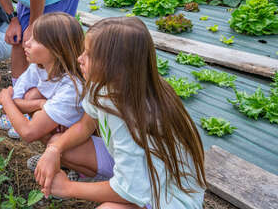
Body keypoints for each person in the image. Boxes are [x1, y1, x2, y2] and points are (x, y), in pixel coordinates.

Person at [34, 17, 206, 209]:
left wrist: (68, 188)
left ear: (114, 65)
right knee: (60, 143)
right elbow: (85, 125)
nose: (79, 59)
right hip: (137, 172)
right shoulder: (105, 84)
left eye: (89, 55)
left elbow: (130, 191)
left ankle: (103, 189)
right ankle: (102, 184)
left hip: (165, 198)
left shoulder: (131, 114)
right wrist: (54, 150)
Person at [0, 13, 85, 142]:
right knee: (31, 95)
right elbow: (15, 98)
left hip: (72, 136)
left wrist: (6, 99)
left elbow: (27, 132)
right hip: (50, 115)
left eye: (36, 40)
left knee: (53, 139)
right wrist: (39, 103)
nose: (27, 43)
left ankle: (57, 155)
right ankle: (30, 121)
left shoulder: (72, 86)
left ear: (57, 49)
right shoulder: (37, 67)